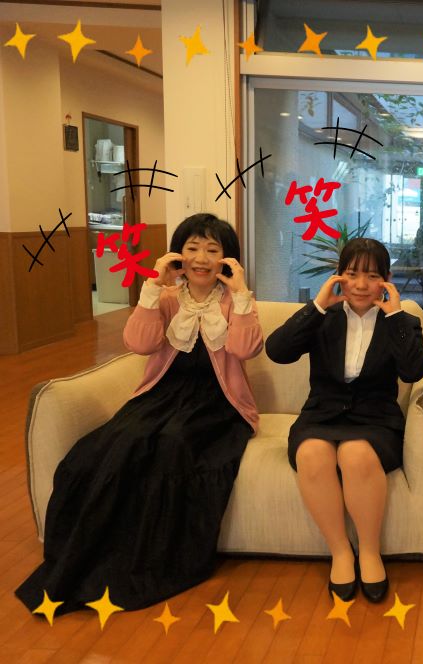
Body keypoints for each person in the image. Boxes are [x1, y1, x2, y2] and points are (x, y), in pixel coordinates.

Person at [16, 213, 262, 616]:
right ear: (178, 254)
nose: (201, 258)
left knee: (174, 443)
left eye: (212, 250)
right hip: (161, 396)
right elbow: (139, 344)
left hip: (218, 402)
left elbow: (245, 349)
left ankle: (151, 563)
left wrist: (241, 294)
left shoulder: (235, 302)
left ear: (227, 258)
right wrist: (151, 288)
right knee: (109, 446)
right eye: (192, 248)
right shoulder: (166, 298)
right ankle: (87, 556)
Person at [265, 238, 423, 603]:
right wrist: (317, 305)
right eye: (352, 274)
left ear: (386, 280)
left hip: (376, 419)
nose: (360, 284)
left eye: (371, 275)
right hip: (321, 415)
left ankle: (369, 552)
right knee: (312, 455)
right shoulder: (324, 317)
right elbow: (277, 351)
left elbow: (414, 371)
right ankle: (340, 552)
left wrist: (396, 316)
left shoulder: (400, 321)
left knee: (356, 454)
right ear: (339, 276)